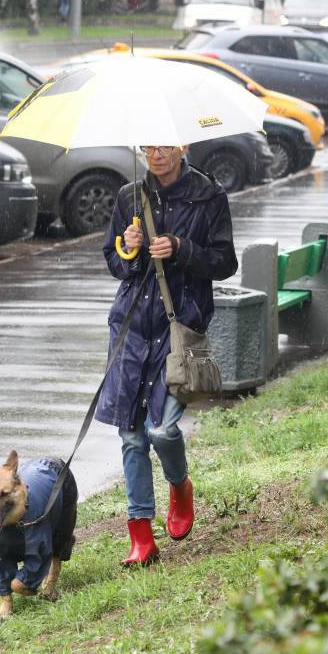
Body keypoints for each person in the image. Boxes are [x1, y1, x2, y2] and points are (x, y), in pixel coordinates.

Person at [96, 145, 238, 567]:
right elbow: (114, 262)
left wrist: (180, 247)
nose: (156, 155)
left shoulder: (209, 195)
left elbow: (225, 262)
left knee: (161, 431)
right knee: (131, 436)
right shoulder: (129, 197)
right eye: (149, 148)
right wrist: (128, 246)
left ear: (184, 147)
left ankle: (179, 485)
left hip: (179, 329)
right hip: (132, 328)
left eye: (165, 147)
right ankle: (141, 536)